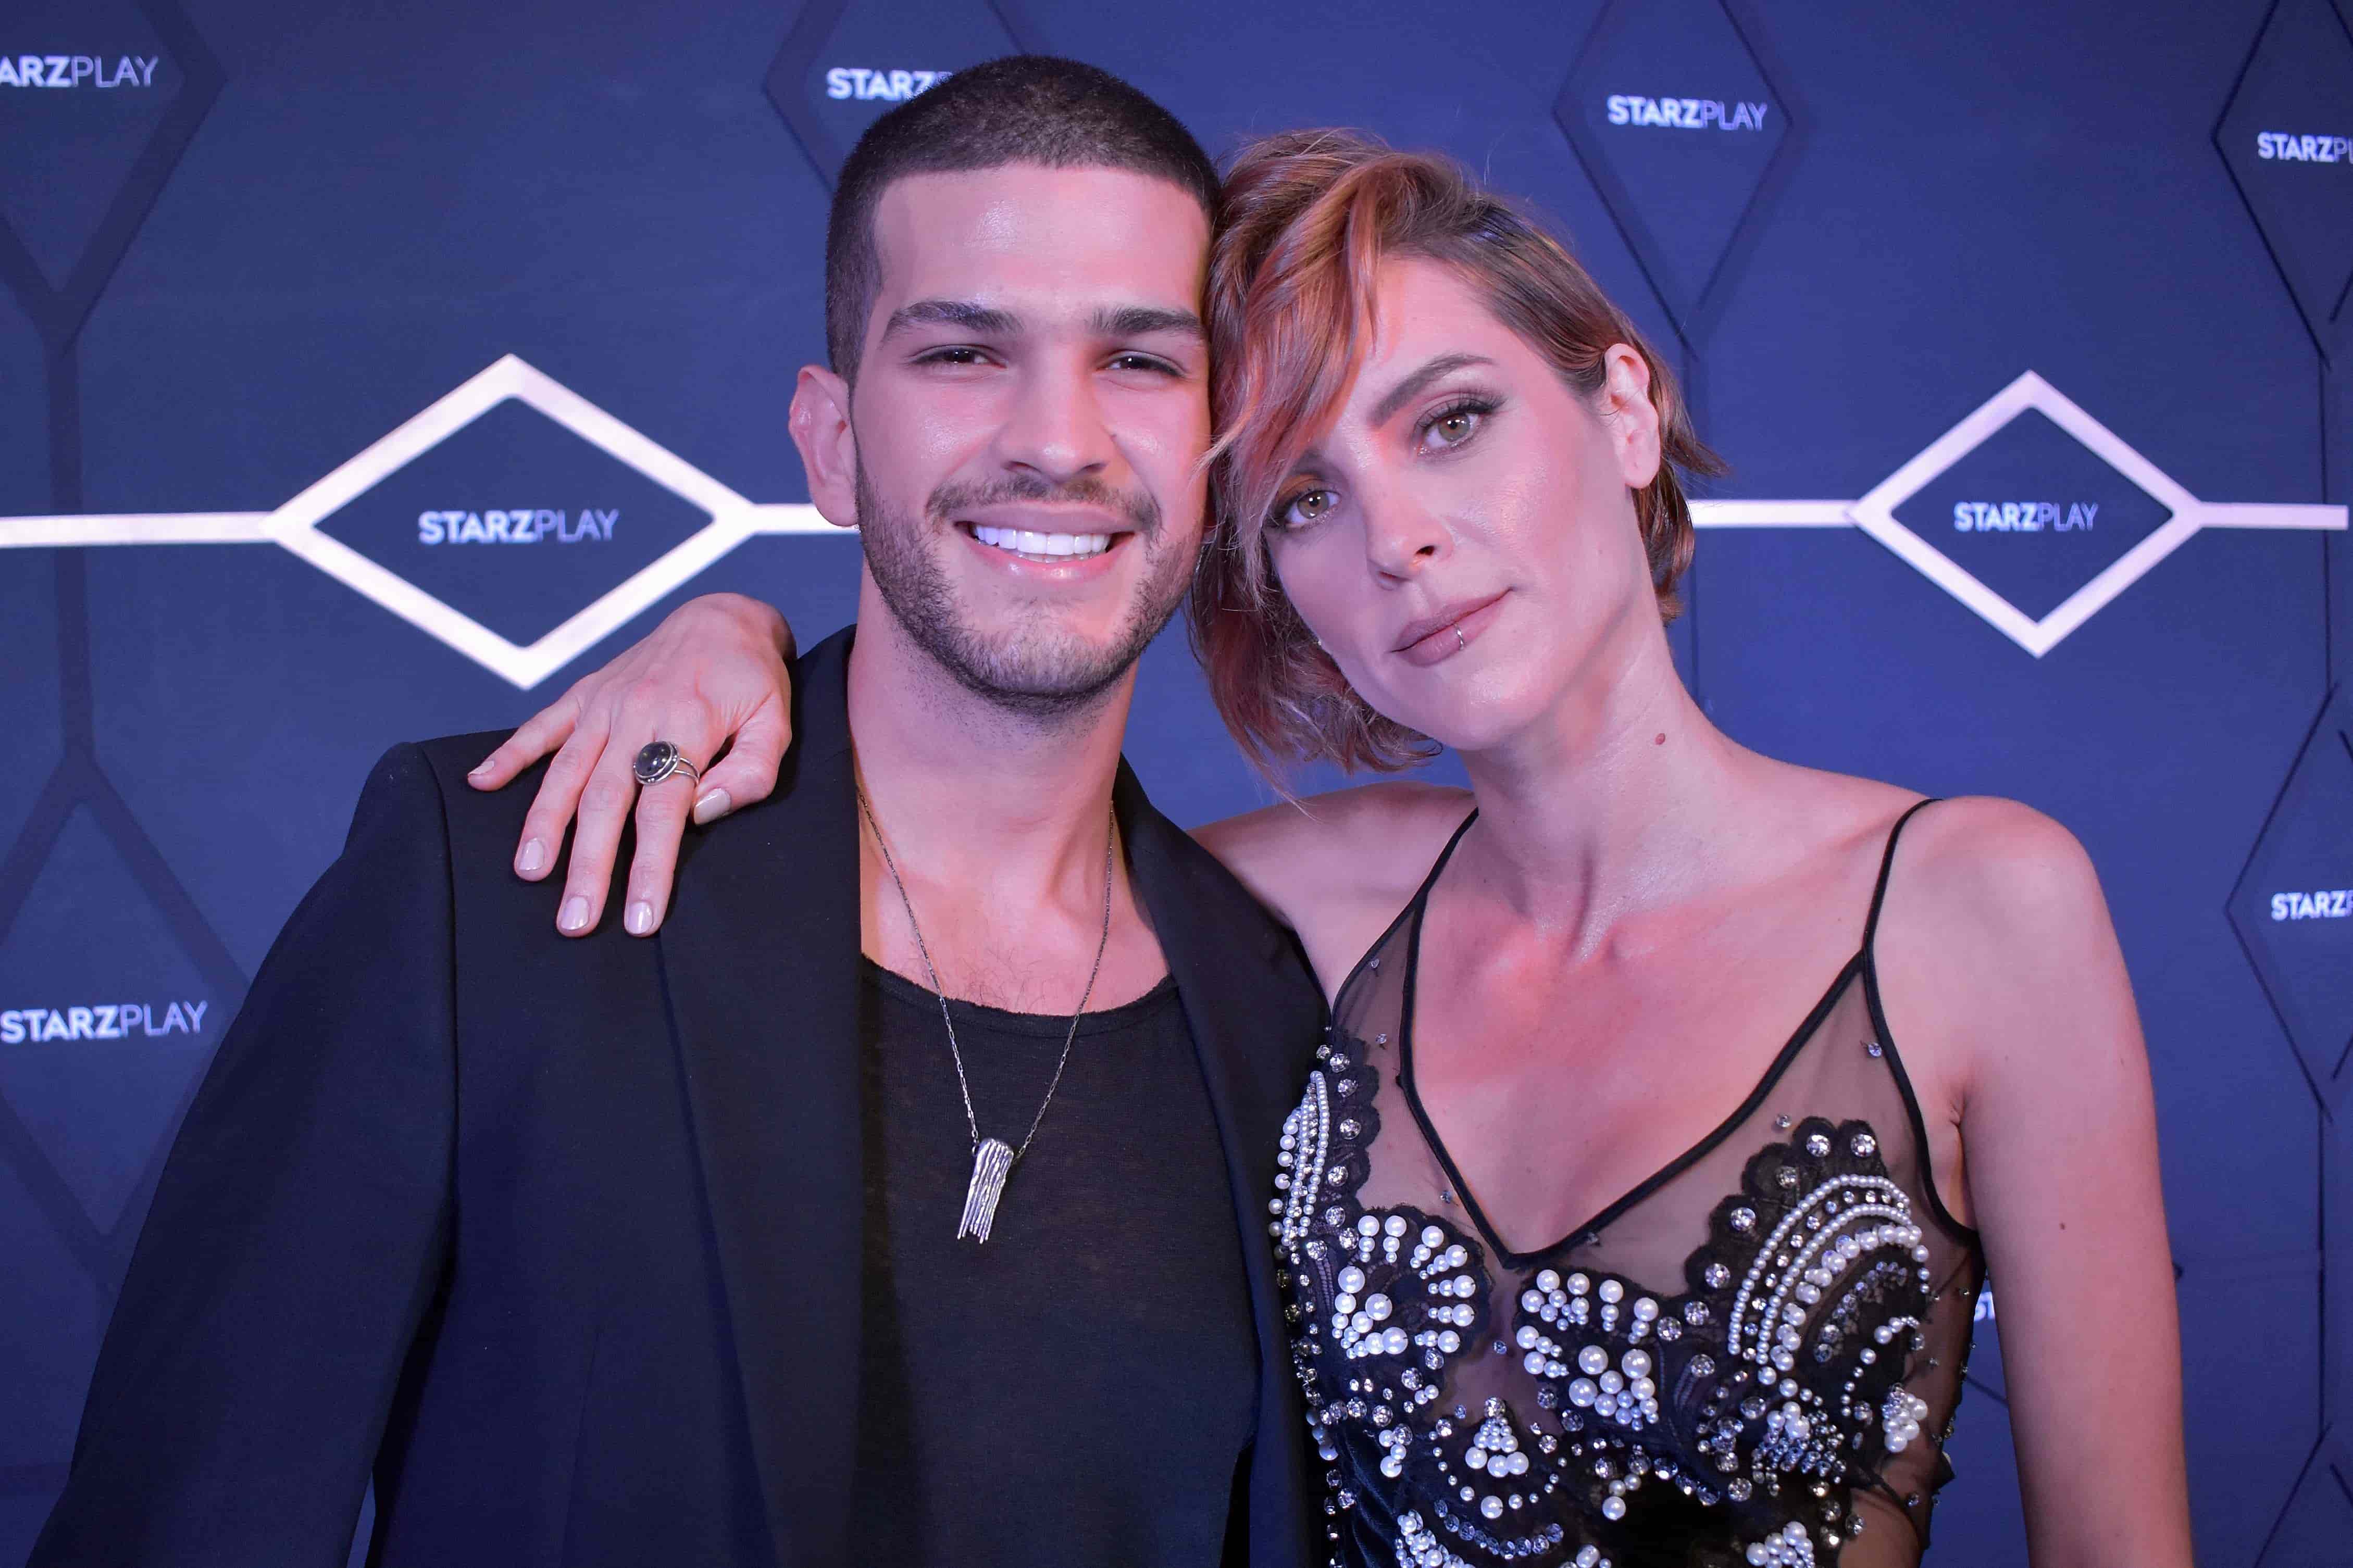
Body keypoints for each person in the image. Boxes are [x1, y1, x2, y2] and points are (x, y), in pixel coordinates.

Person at [477, 133, 2195, 1567]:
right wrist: (732, 645)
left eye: (1451, 421)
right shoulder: (1301, 908)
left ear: (1622, 407)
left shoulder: (1977, 909)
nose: (1400, 538)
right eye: (1305, 498)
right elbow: (942, 852)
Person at [32, 59, 1326, 1568]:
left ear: (1218, 439)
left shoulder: (1282, 1002)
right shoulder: (496, 881)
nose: (1059, 439)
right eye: (965, 352)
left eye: (1141, 360)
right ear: (831, 444)